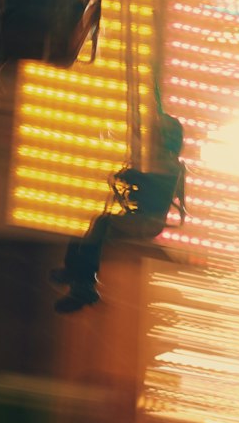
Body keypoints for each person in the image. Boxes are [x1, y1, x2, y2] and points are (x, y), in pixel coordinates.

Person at [52, 112, 186, 313]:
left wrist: (134, 177)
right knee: (90, 229)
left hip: (147, 222)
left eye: (158, 134)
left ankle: (83, 281)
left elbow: (157, 186)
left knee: (102, 225)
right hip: (139, 217)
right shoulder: (163, 162)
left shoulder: (171, 165)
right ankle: (75, 273)